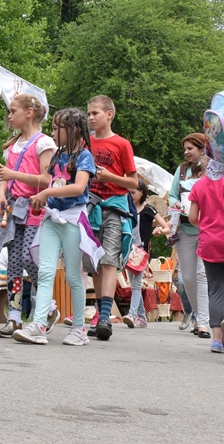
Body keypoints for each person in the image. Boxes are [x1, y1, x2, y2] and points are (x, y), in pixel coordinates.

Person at [12, 108, 99, 346]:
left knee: (73, 275)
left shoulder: (84, 157)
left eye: (55, 128)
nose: (51, 133)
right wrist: (42, 200)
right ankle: (39, 324)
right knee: (46, 270)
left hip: (72, 219)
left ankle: (79, 328)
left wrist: (48, 192)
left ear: (73, 131)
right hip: (52, 218)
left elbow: (79, 188)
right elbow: (52, 181)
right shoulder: (57, 156)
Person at [0, 94, 56, 338]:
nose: (10, 116)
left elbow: (46, 179)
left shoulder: (44, 143)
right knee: (14, 263)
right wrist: (0, 194)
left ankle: (48, 307)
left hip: (35, 209)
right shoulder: (13, 144)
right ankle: (14, 316)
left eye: (13, 110)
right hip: (14, 211)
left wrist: (13, 176)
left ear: (29, 112)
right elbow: (3, 178)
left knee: (31, 259)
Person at [84, 95, 139, 340]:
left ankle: (105, 316)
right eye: (88, 114)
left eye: (95, 113)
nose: (91, 118)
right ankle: (100, 313)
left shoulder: (121, 144)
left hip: (114, 208)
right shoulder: (86, 143)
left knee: (109, 261)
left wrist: (109, 178)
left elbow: (133, 182)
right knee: (94, 262)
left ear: (109, 114)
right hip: (90, 208)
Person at [156, 133, 211, 339]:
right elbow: (171, 194)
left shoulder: (211, 169)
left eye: (190, 148)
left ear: (202, 149)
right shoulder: (182, 170)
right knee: (187, 277)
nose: (186, 152)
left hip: (206, 228)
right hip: (184, 229)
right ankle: (199, 316)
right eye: (185, 149)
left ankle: (205, 323)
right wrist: (175, 203)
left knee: (202, 274)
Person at [187, 159, 224, 354]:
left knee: (215, 291)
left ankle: (217, 339)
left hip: (209, 244)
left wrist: (207, 227)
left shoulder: (199, 185)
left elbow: (192, 218)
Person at [123, 178, 165, 329]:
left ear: (142, 193)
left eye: (133, 192)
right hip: (128, 250)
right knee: (134, 283)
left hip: (141, 252)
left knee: (136, 284)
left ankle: (132, 314)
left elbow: (165, 226)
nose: (130, 195)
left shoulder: (149, 210)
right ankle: (141, 316)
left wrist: (159, 231)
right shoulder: (127, 207)